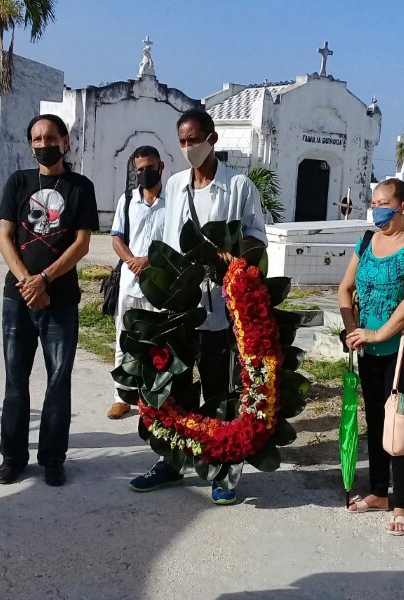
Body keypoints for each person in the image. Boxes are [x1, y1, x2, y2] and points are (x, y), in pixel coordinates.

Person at [127, 108, 266, 505]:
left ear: (213, 139)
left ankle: (223, 470)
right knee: (175, 387)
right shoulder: (173, 187)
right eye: (183, 142)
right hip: (177, 307)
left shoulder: (238, 187)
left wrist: (230, 253)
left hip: (220, 310)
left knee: (221, 390)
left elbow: (258, 237)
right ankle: (170, 461)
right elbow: (166, 239)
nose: (189, 148)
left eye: (195, 140)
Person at [0, 114, 99, 487]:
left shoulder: (80, 187)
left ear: (65, 141)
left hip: (61, 299)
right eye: (36, 138)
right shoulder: (18, 181)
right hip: (17, 298)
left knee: (58, 381)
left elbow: (82, 243)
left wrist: (44, 279)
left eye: (50, 137)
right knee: (15, 381)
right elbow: (4, 235)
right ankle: (12, 458)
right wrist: (27, 281)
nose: (43, 144)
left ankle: (53, 458)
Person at [338, 178, 404, 536]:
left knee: (399, 423)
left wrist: (378, 332)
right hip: (368, 346)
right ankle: (379, 491)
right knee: (376, 419)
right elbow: (345, 289)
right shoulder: (365, 241)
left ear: (403, 207)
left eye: (383, 202)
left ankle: (403, 502)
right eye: (374, 202)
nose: (376, 208)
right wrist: (352, 328)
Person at [107, 146, 167, 419]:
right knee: (125, 338)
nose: (145, 173)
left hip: (161, 286)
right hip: (130, 285)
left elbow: (175, 242)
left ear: (161, 166)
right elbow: (117, 237)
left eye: (150, 167)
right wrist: (132, 261)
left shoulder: (174, 200)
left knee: (159, 343)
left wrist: (150, 262)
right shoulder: (128, 200)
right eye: (140, 169)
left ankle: (154, 397)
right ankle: (121, 396)